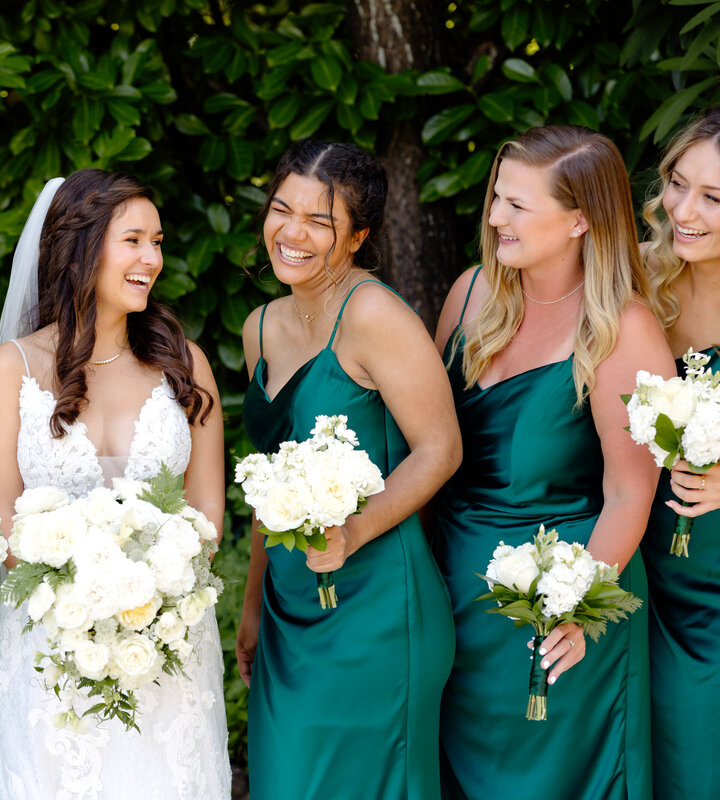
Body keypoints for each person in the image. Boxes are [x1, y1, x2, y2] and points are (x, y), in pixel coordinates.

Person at [0, 169, 231, 799]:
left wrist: (150, 593)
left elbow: (206, 516)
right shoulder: (11, 372)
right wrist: (89, 593)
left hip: (167, 646)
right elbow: (3, 528)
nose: (153, 259)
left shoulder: (183, 365)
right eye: (134, 241)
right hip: (55, 656)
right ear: (81, 248)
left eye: (158, 242)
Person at [433, 125, 674, 800]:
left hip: (557, 610)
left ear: (580, 220)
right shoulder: (471, 294)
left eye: (517, 205)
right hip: (455, 603)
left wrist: (580, 608)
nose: (494, 216)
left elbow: (632, 492)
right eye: (496, 198)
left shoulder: (621, 330)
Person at [235, 139, 460, 799]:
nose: (292, 233)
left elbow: (441, 449)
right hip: (288, 605)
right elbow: (267, 478)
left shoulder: (375, 317)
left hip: (377, 608)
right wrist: (253, 605)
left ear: (358, 235)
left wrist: (354, 532)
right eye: (282, 210)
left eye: (320, 222)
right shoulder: (260, 326)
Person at [639, 107, 720, 800]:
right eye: (676, 183)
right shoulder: (640, 282)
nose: (684, 210)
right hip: (648, 574)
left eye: (714, 197)